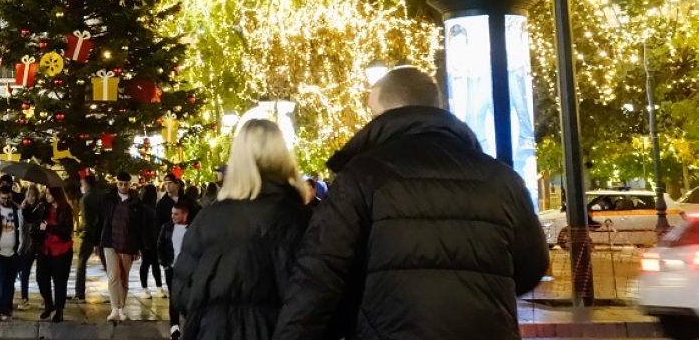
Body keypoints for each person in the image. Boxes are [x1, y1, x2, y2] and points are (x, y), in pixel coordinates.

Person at [273, 67, 550, 340]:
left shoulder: (363, 176)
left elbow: (318, 277)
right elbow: (531, 266)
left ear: (385, 114)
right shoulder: (501, 179)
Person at [172, 120, 310, 340]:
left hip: (212, 330)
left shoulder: (209, 218)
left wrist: (209, 313)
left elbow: (181, 286)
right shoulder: (298, 218)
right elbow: (314, 291)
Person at [99, 171, 146, 322]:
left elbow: (139, 227)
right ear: (116, 183)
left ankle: (121, 307)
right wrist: (97, 241)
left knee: (124, 278)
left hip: (127, 244)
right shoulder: (108, 200)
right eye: (120, 183)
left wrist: (139, 247)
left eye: (126, 184)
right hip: (110, 242)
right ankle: (114, 308)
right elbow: (101, 220)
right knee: (114, 276)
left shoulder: (136, 203)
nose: (123, 186)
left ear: (130, 184)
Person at [0, 185, 24, 321]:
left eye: (8, 198)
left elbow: (23, 229)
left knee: (9, 282)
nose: (6, 201)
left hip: (13, 252)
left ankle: (6, 309)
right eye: (3, 198)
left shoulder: (17, 210)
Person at [36, 186, 75, 323]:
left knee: (59, 281)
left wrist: (49, 228)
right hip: (45, 249)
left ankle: (59, 310)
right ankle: (48, 303)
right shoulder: (44, 207)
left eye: (49, 194)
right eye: (46, 193)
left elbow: (67, 230)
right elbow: (33, 218)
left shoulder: (65, 209)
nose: (47, 196)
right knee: (41, 277)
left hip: (61, 250)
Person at [158, 200, 192, 340]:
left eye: (176, 214)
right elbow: (160, 245)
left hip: (188, 270)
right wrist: (164, 263)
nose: (173, 216)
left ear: (185, 215)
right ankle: (174, 327)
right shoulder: (167, 227)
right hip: (171, 268)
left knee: (188, 298)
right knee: (174, 298)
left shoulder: (193, 229)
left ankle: (189, 325)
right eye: (172, 214)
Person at [74, 174, 105, 301]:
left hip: (89, 235)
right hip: (102, 234)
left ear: (86, 184)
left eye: (82, 184)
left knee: (81, 263)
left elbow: (87, 220)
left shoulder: (85, 199)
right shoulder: (101, 197)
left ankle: (79, 292)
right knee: (108, 265)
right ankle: (118, 290)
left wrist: (92, 236)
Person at [18, 185, 45, 310]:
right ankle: (25, 299)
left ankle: (45, 298)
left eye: (34, 195)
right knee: (25, 273)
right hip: (27, 245)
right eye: (29, 195)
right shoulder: (23, 209)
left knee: (42, 274)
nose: (32, 198)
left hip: (38, 244)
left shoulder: (41, 208)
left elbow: (42, 223)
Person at [138, 184, 163, 298]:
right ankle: (150, 288)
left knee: (151, 264)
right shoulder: (149, 208)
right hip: (149, 240)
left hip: (151, 240)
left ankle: (151, 288)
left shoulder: (148, 207)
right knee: (149, 263)